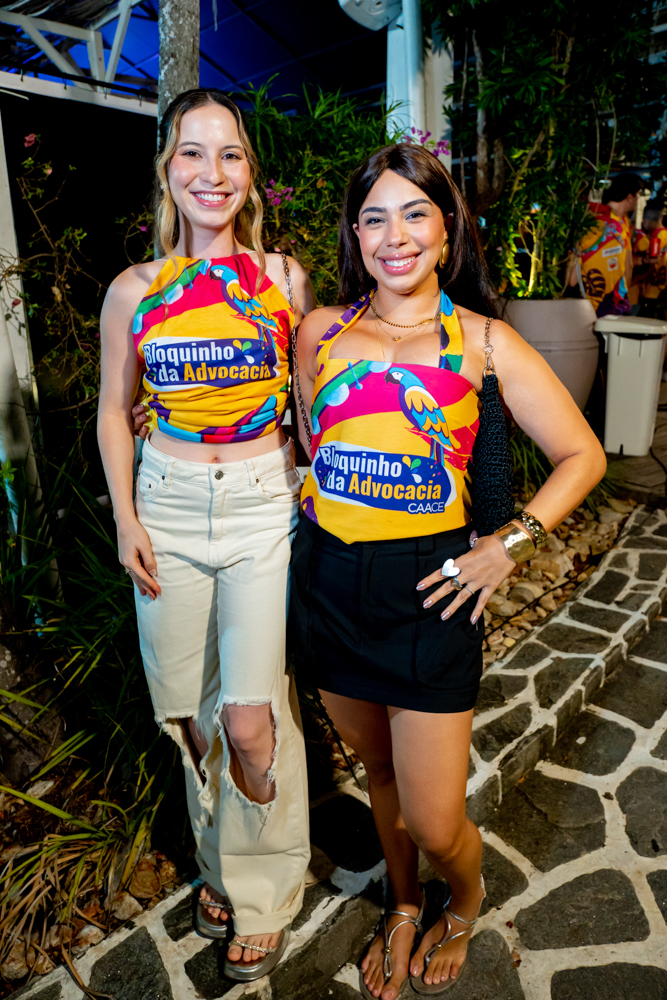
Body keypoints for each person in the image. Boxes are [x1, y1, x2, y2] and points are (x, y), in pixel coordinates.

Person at [289, 143, 607, 999]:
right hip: (328, 583)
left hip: (429, 592)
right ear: (354, 236)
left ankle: (461, 897)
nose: (394, 236)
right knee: (376, 773)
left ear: (447, 227)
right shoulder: (319, 331)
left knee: (434, 818)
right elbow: (315, 447)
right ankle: (402, 902)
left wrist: (509, 543)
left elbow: (581, 455)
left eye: (413, 214)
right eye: (373, 219)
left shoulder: (484, 341)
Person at [98, 88, 315, 982]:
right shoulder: (135, 290)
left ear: (250, 174)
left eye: (230, 153)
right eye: (193, 152)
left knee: (251, 721)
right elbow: (113, 411)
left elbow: (312, 401)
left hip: (261, 505)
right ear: (168, 170)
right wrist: (126, 517)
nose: (211, 172)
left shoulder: (284, 281)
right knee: (188, 714)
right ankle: (222, 860)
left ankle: (264, 891)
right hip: (168, 505)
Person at [571, 172, 647, 316]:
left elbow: (627, 263)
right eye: (638, 194)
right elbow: (577, 262)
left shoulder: (623, 220)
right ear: (630, 196)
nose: (639, 200)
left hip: (619, 300)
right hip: (597, 302)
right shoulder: (597, 219)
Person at [631, 199, 667, 317]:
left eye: (644, 218)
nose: (642, 221)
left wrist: (632, 282)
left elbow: (650, 267)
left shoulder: (651, 239)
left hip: (652, 296)